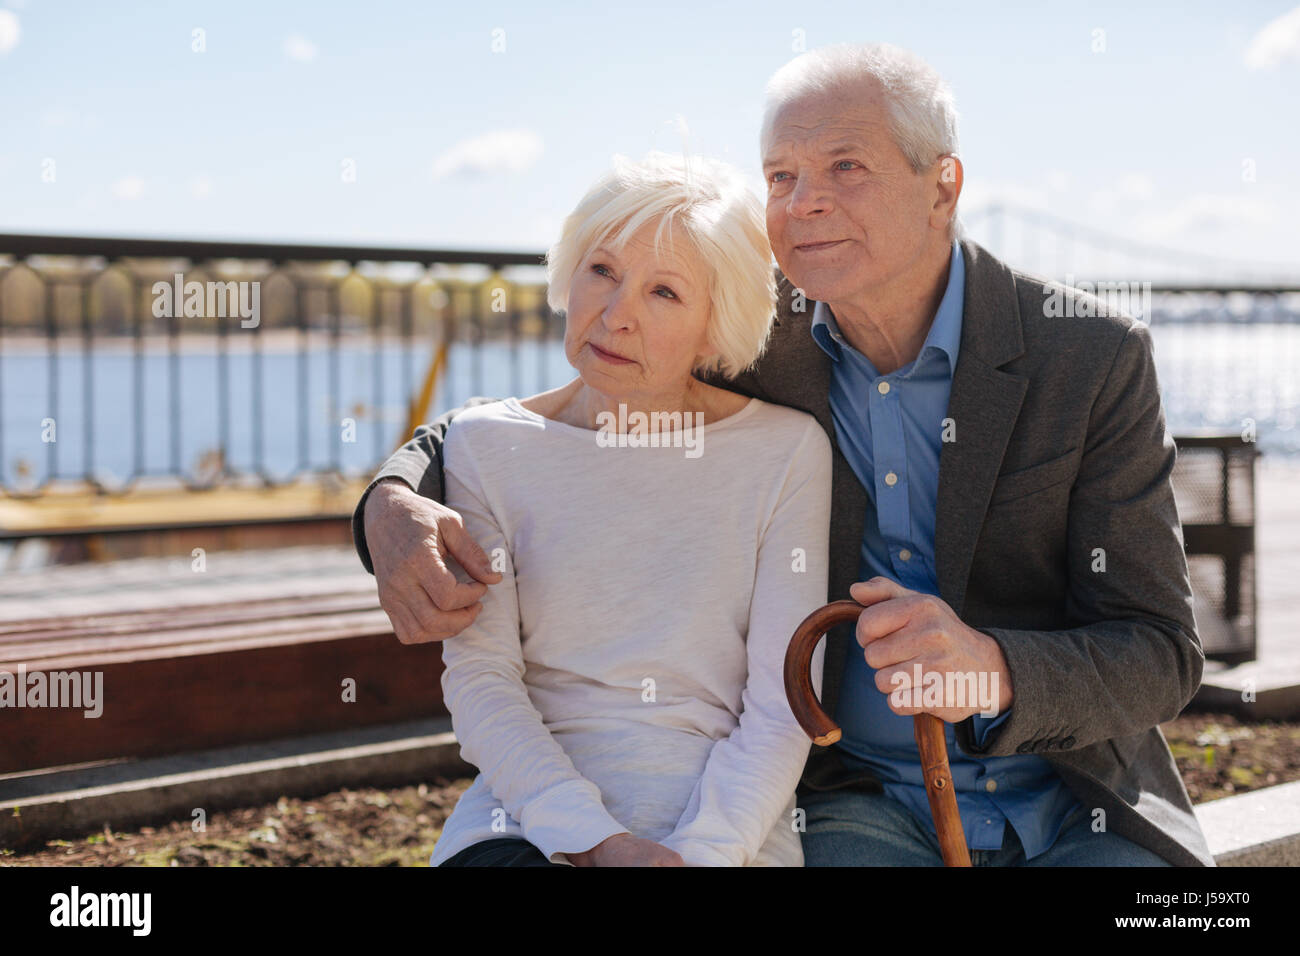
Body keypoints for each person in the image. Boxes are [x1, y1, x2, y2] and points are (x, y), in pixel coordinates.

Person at [356, 43, 1214, 867]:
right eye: (780, 176)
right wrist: (387, 500)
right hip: (852, 798)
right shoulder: (757, 338)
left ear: (942, 185)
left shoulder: (1091, 358)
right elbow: (566, 406)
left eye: (846, 166)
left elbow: (1161, 649)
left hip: (1077, 799)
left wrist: (992, 668)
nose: (803, 203)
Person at [416, 151, 832, 867]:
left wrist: (699, 853)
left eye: (664, 293)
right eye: (602, 270)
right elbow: (482, 680)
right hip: (520, 823)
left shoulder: (786, 451)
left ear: (715, 326)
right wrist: (596, 840)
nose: (615, 316)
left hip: (729, 831)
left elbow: (783, 702)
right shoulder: (486, 444)